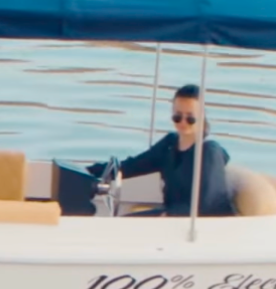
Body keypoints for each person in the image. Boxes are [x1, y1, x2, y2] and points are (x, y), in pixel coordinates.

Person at [92, 84, 235, 218]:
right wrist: (87, 172)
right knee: (120, 224)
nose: (183, 122)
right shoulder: (169, 145)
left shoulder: (210, 152)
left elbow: (205, 205)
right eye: (177, 117)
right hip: (171, 219)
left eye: (190, 118)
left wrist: (165, 216)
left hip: (207, 228)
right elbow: (131, 167)